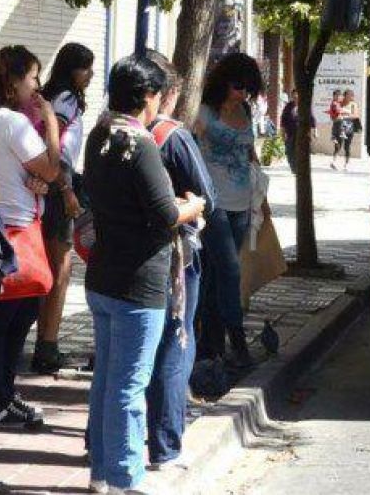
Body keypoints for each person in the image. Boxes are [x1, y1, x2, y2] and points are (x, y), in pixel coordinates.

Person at [83, 55, 204, 494]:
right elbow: (166, 213)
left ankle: (100, 472)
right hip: (140, 281)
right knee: (129, 387)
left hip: (103, 275)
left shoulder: (99, 136)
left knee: (106, 383)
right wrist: (194, 206)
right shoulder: (140, 143)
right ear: (149, 97)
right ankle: (125, 479)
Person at [0, 45, 62, 429]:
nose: (37, 86)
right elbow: (52, 169)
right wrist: (52, 122)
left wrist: (36, 183)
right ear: (12, 83)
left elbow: (33, 174)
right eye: (32, 78)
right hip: (15, 229)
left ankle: (3, 395)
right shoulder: (14, 122)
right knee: (8, 319)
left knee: (3, 318)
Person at [143, 50, 216, 471]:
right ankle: (167, 443)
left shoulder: (108, 132)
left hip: (116, 261)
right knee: (175, 341)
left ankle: (104, 440)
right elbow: (209, 196)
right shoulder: (172, 136)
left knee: (124, 354)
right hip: (173, 259)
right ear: (167, 94)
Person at [195, 52, 264, 369]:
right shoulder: (205, 112)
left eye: (248, 89)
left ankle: (210, 344)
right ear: (224, 83)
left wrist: (260, 193)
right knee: (230, 270)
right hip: (214, 202)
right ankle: (236, 340)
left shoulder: (247, 110)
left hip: (243, 202)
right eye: (238, 87)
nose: (242, 94)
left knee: (216, 275)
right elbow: (191, 154)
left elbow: (251, 153)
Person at [30, 43, 94, 374]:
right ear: (73, 69)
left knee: (54, 269)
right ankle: (48, 346)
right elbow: (57, 147)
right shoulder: (66, 100)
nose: (91, 75)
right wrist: (67, 188)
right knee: (60, 270)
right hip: (59, 187)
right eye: (86, 68)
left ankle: (45, 341)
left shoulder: (51, 95)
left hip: (48, 185)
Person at [280, 89, 315, 175]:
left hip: (302, 134)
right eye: (294, 96)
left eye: (297, 95)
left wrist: (314, 131)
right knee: (289, 152)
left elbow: (311, 119)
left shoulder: (305, 106)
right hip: (290, 133)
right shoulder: (288, 107)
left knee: (301, 151)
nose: (296, 97)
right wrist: (282, 133)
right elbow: (283, 120)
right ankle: (293, 167)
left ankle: (299, 168)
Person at [338, 89, 360, 170]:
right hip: (340, 127)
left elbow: (356, 116)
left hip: (349, 127)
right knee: (338, 145)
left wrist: (346, 116)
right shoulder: (340, 104)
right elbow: (336, 113)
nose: (350, 96)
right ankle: (335, 161)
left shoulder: (353, 104)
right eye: (348, 95)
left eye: (351, 95)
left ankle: (346, 163)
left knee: (347, 146)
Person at [328, 89, 343, 169]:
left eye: (339, 95)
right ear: (334, 96)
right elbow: (333, 117)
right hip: (337, 126)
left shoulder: (338, 104)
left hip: (339, 125)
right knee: (338, 145)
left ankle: (334, 161)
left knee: (339, 145)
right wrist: (340, 117)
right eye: (337, 95)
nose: (338, 97)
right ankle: (334, 162)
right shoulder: (334, 104)